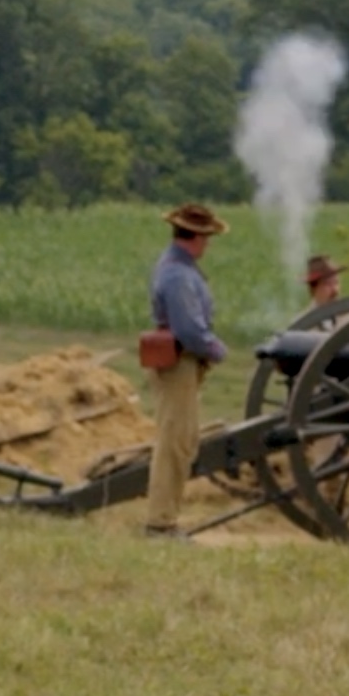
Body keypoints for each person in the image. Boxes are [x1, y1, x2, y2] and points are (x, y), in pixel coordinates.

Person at [143, 203, 230, 536]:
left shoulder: (179, 267)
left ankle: (165, 517)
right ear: (194, 236)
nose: (208, 245)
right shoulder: (179, 275)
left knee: (180, 439)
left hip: (180, 361)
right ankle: (160, 523)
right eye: (206, 237)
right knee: (175, 443)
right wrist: (217, 349)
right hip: (178, 361)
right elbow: (190, 331)